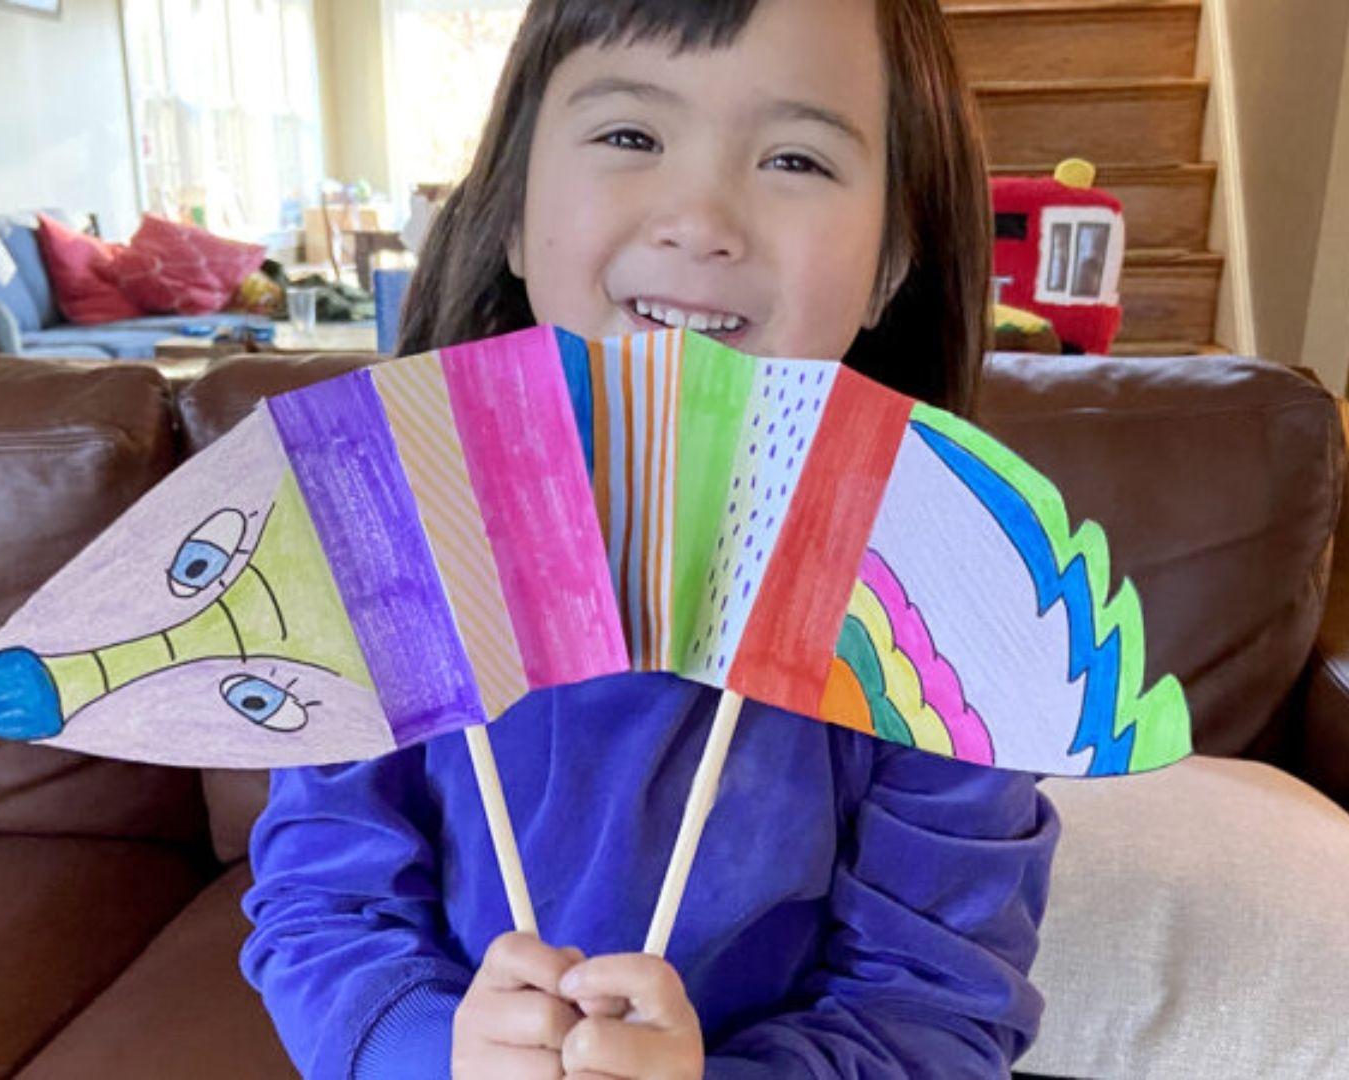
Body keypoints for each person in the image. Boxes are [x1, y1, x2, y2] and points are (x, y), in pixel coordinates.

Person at [241, 1, 1058, 1076]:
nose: (698, 216)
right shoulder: (391, 545)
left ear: (893, 260)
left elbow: (940, 1006)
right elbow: (320, 907)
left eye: (797, 158)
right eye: (631, 136)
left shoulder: (943, 616)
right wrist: (436, 1052)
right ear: (514, 218)